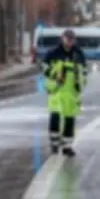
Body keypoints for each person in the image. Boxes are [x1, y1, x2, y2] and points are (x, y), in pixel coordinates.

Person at [43, 29, 87, 157]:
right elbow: (44, 67)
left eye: (71, 39)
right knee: (55, 117)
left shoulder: (78, 54)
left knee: (69, 119)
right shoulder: (53, 53)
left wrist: (79, 84)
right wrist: (55, 75)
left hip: (71, 92)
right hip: (56, 90)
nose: (69, 41)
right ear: (62, 38)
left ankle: (67, 146)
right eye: (67, 38)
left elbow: (83, 71)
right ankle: (54, 143)